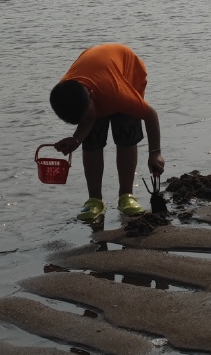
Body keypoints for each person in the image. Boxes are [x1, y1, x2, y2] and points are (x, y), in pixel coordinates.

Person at [44, 43, 164, 223]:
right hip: (100, 72)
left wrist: (155, 153)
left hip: (127, 74)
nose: (86, 121)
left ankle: (126, 195)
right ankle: (95, 200)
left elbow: (150, 115)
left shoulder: (118, 94)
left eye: (87, 116)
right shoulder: (67, 92)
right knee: (92, 139)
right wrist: (76, 140)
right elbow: (88, 120)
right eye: (81, 120)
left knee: (126, 133)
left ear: (92, 96)